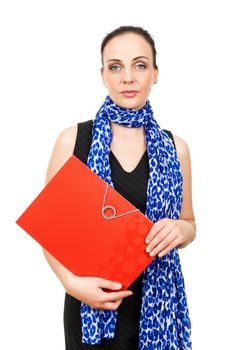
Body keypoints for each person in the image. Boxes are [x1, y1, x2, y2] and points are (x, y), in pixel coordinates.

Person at [43, 25, 196, 350]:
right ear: (103, 74)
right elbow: (49, 231)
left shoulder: (176, 148)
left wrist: (180, 229)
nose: (128, 77)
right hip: (91, 305)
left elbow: (190, 223)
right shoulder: (73, 141)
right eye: (116, 66)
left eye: (140, 65)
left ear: (155, 73)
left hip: (159, 307)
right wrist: (72, 284)